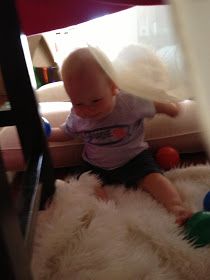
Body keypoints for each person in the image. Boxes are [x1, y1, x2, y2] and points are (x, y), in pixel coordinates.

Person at [49, 47, 193, 225]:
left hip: (133, 159)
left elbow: (154, 104)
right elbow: (66, 133)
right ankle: (108, 215)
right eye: (78, 103)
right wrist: (47, 134)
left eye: (96, 100)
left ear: (113, 87)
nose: (88, 109)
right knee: (87, 184)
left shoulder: (130, 102)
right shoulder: (77, 116)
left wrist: (170, 108)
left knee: (154, 178)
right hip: (95, 165)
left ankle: (176, 207)